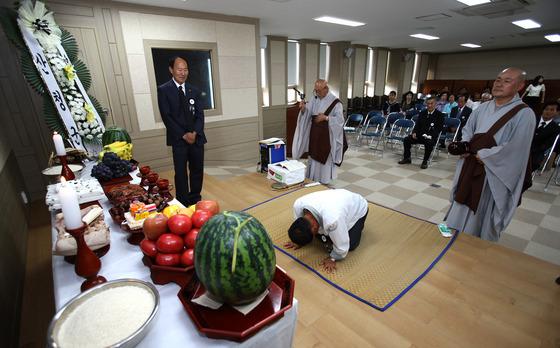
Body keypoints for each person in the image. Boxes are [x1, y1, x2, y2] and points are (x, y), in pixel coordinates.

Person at [444, 67, 536, 241]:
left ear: (520, 86)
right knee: (460, 205)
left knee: (480, 216)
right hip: (470, 165)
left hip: (493, 174)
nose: (499, 84)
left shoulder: (524, 114)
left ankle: (475, 246)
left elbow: (517, 148)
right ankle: (452, 240)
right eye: (498, 79)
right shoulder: (482, 108)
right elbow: (468, 130)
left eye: (507, 81)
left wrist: (485, 155)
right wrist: (465, 146)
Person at [157, 56, 207, 206]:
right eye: (179, 69)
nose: (183, 72)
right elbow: (167, 116)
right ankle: (183, 202)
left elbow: (200, 115)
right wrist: (184, 134)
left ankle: (195, 198)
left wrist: (195, 132)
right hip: (178, 139)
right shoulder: (164, 90)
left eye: (185, 69)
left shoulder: (195, 90)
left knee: (197, 170)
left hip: (196, 138)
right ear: (171, 70)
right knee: (180, 172)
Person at [284, 189, 369, 273]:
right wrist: (297, 240)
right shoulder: (298, 205)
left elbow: (342, 246)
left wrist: (333, 258)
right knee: (325, 234)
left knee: (351, 244)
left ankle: (358, 225)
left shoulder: (333, 219)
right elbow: (298, 226)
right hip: (335, 199)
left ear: (314, 228)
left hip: (358, 208)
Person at [292, 79, 345, 184]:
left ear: (326, 89)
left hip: (327, 136)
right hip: (315, 134)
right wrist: (303, 109)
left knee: (323, 156)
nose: (316, 93)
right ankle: (313, 177)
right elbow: (308, 112)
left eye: (319, 91)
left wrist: (326, 118)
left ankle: (324, 180)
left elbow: (340, 120)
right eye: (315, 90)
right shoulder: (315, 98)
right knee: (314, 155)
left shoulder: (335, 102)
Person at [398, 96, 444, 169]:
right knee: (407, 139)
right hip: (420, 135)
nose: (429, 105)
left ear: (435, 104)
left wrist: (430, 136)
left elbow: (439, 128)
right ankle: (407, 158)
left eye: (431, 103)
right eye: (428, 104)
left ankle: (425, 161)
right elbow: (417, 125)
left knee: (429, 143)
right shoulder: (422, 113)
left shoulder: (439, 115)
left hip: (430, 136)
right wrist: (414, 132)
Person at [530, 101, 560, 172]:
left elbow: (546, 145)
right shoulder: (532, 119)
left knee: (534, 161)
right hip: (520, 148)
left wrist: (530, 150)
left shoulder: (556, 128)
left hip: (535, 153)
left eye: (552, 110)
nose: (548, 112)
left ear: (557, 113)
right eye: (546, 109)